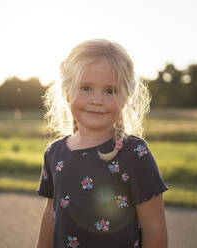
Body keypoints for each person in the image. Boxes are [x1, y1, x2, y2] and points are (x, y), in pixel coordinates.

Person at [35, 39, 168, 248]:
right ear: (67, 92)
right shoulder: (55, 153)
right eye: (86, 88)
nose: (97, 99)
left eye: (110, 91)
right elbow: (50, 216)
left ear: (124, 98)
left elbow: (154, 227)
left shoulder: (134, 153)